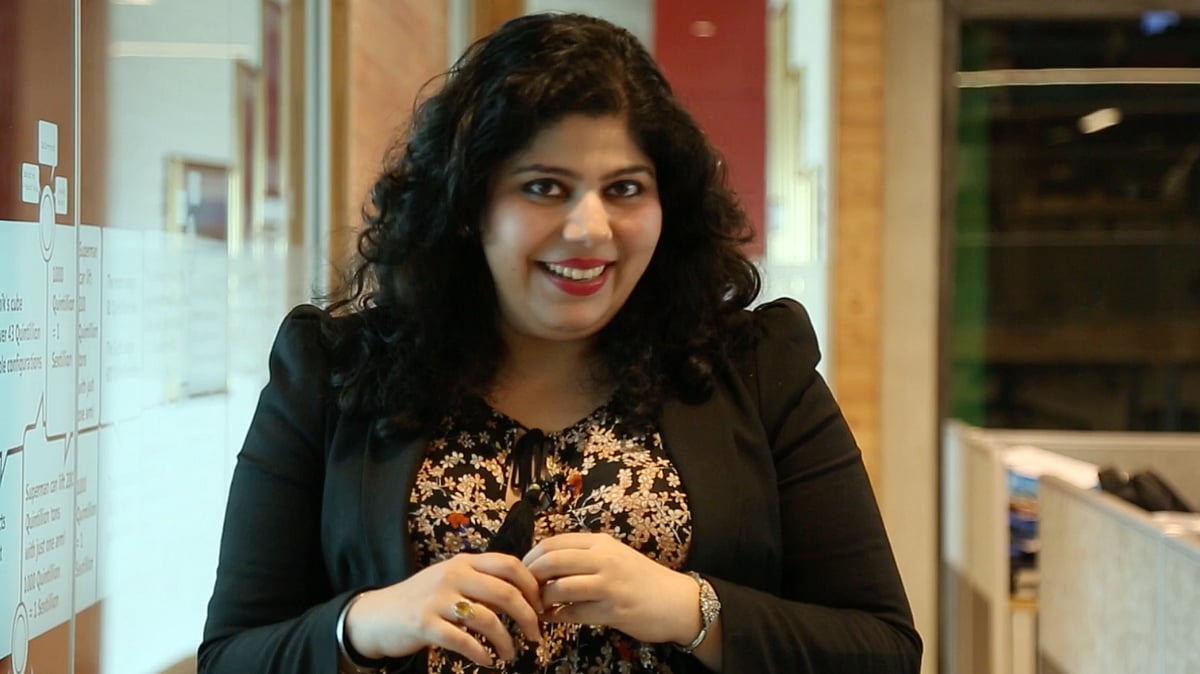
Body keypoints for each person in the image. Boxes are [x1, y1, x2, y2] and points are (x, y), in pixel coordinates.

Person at [198, 12, 921, 674]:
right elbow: (232, 656)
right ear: (469, 204)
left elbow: (882, 649)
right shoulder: (332, 372)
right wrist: (365, 624)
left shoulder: (758, 369)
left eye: (625, 189)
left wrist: (692, 610)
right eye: (544, 187)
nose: (589, 229)